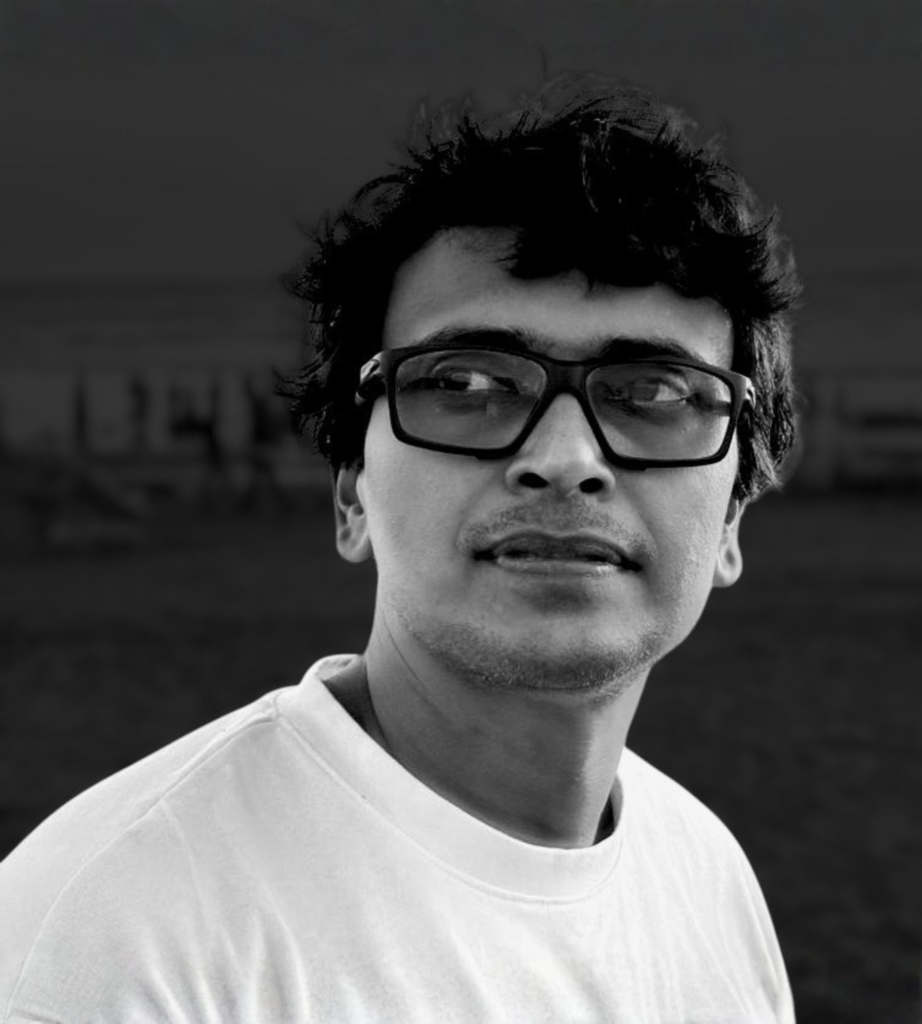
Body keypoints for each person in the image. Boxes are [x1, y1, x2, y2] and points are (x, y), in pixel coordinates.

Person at [0, 75, 800, 1022]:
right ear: (352, 492)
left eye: (656, 393)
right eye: (464, 384)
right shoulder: (116, 938)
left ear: (733, 517)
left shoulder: (705, 879)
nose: (564, 459)